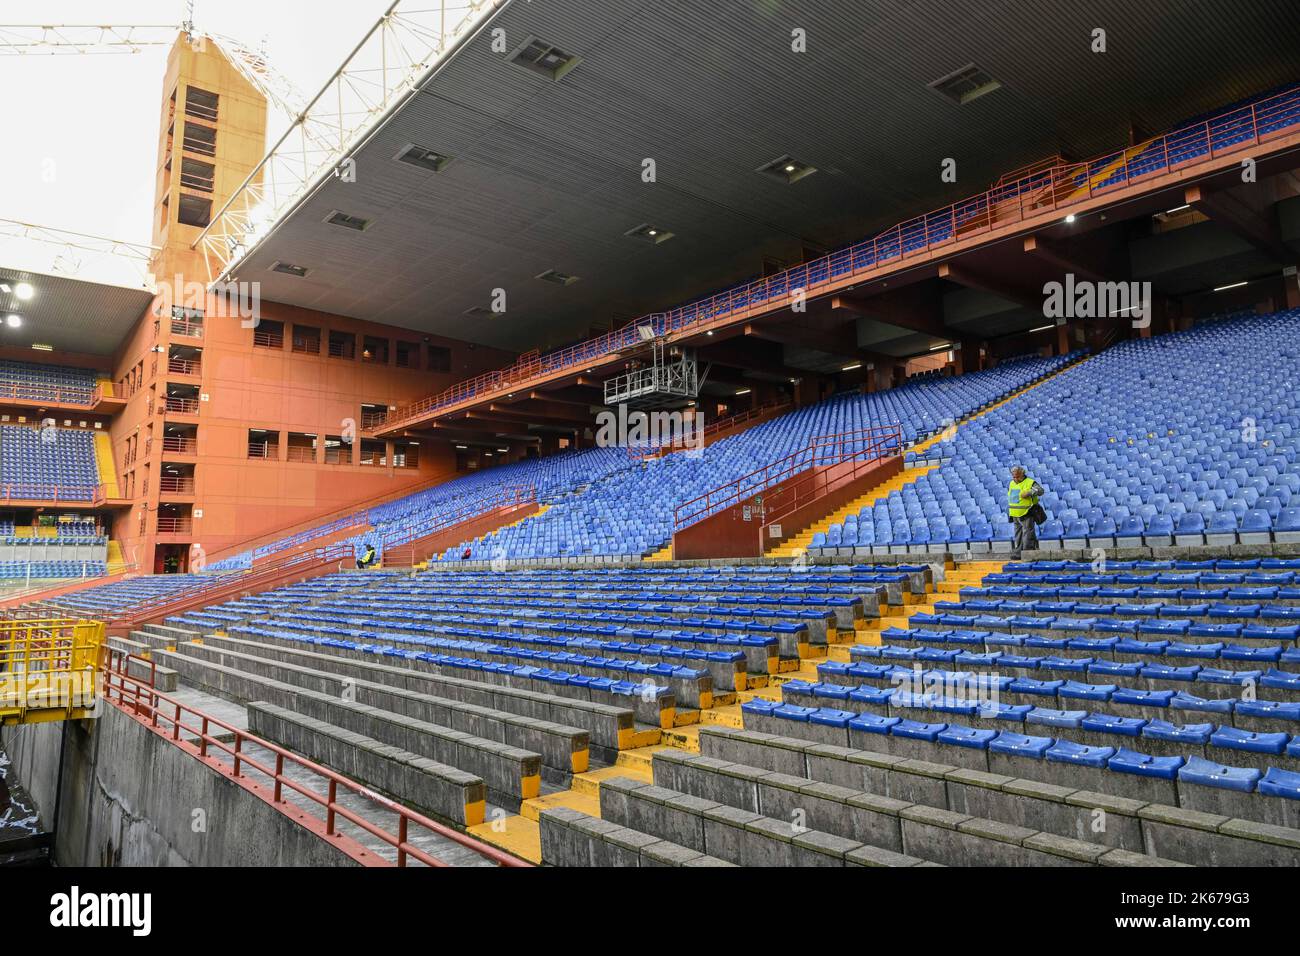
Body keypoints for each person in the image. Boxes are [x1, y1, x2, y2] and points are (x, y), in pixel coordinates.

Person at [1007, 465, 1045, 557]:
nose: (1015, 479)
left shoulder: (1030, 482)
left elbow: (1041, 491)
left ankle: (1028, 553)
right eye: (1014, 477)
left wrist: (1030, 492)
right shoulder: (1011, 483)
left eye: (1017, 476)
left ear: (1022, 474)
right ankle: (1018, 553)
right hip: (1015, 514)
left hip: (1027, 512)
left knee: (1028, 533)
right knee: (1018, 535)